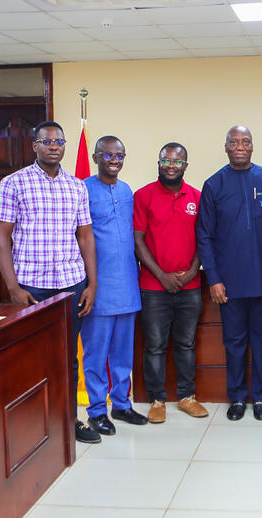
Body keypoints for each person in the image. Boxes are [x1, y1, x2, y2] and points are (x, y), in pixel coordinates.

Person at [0, 120, 101, 444]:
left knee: (68, 356)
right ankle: (32, 422)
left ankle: (69, 420)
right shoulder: (14, 183)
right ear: (34, 146)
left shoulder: (76, 186)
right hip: (32, 288)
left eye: (59, 141)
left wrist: (92, 284)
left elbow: (85, 237)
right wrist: (12, 287)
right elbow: (0, 236)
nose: (54, 146)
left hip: (71, 284)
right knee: (32, 356)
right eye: (47, 141)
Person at [197, 126, 262, 421]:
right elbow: (204, 236)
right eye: (234, 142)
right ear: (226, 147)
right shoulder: (214, 184)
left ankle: (260, 398)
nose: (240, 146)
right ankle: (237, 398)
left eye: (245, 142)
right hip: (228, 283)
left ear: (253, 147)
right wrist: (214, 278)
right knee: (233, 342)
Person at [133, 142, 208, 423]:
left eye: (178, 161)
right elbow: (138, 241)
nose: (172, 165)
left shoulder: (197, 197)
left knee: (186, 344)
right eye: (166, 160)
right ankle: (157, 399)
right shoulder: (143, 196)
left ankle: (187, 397)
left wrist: (192, 271)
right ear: (159, 163)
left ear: (186, 166)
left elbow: (204, 239)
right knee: (154, 346)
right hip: (153, 287)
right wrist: (162, 276)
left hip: (189, 285)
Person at [81, 136, 147, 435]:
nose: (114, 160)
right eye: (107, 155)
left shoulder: (126, 190)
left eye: (119, 155)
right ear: (96, 157)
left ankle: (120, 404)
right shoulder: (82, 189)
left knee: (123, 352)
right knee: (96, 353)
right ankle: (96, 411)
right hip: (98, 286)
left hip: (128, 284)